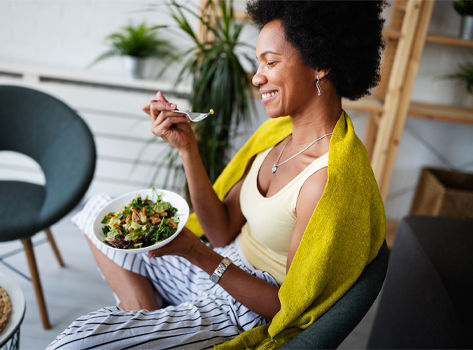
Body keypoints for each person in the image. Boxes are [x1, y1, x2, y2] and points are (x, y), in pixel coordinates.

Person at [47, 1, 386, 349]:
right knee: (96, 211)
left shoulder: (326, 181)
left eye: (270, 62)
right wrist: (186, 149)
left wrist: (197, 253)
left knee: (76, 342)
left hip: (242, 306)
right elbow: (221, 230)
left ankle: (144, 329)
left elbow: (287, 309)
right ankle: (144, 318)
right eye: (259, 64)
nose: (257, 77)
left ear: (321, 64)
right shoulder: (277, 137)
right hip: (214, 266)